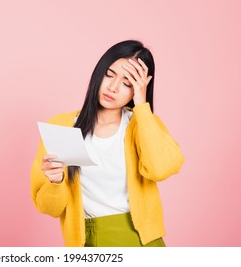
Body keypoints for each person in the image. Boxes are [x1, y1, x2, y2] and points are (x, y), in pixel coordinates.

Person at [30, 40, 185, 247]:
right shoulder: (62, 127)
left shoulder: (143, 125)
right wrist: (55, 182)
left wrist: (142, 106)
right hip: (88, 241)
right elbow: (49, 208)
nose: (113, 87)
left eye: (127, 83)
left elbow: (161, 169)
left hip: (142, 241)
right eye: (109, 75)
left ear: (138, 89)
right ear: (99, 73)